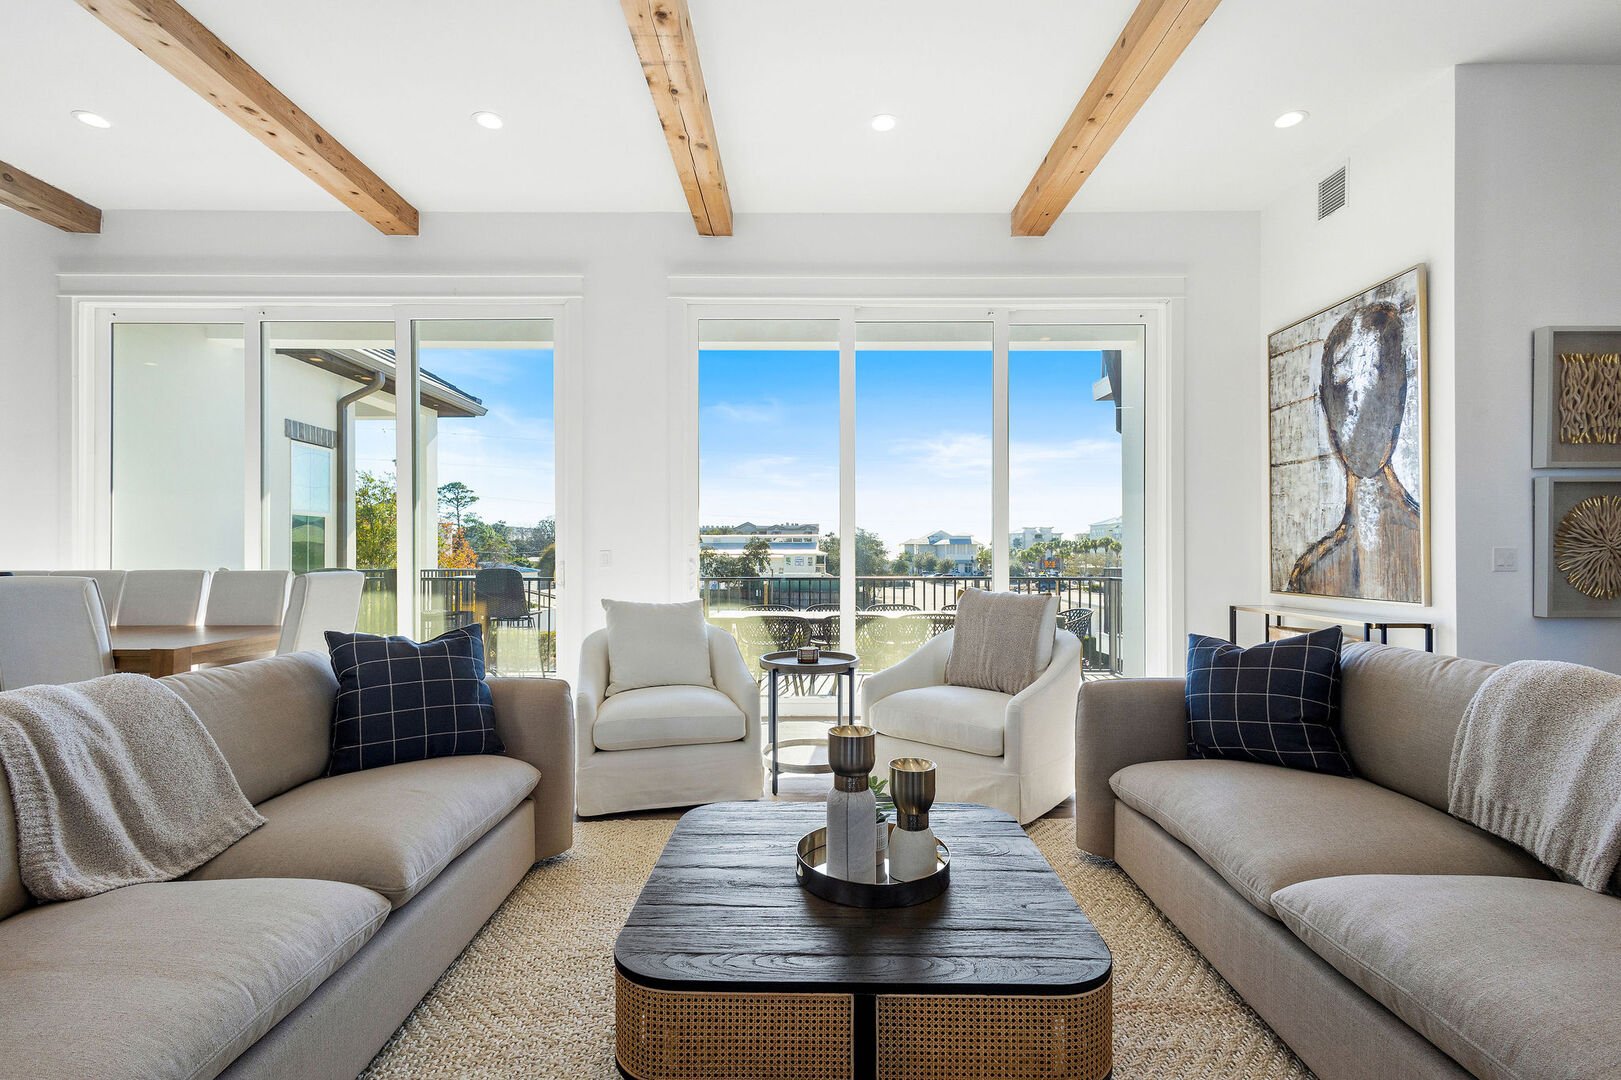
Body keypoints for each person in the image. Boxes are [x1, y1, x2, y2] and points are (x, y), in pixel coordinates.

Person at [1286, 301, 1422, 602]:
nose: (1358, 407)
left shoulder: (1429, 545)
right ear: (1326, 403)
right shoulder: (1312, 573)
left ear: (1399, 396)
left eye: (1374, 378)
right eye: (1343, 385)